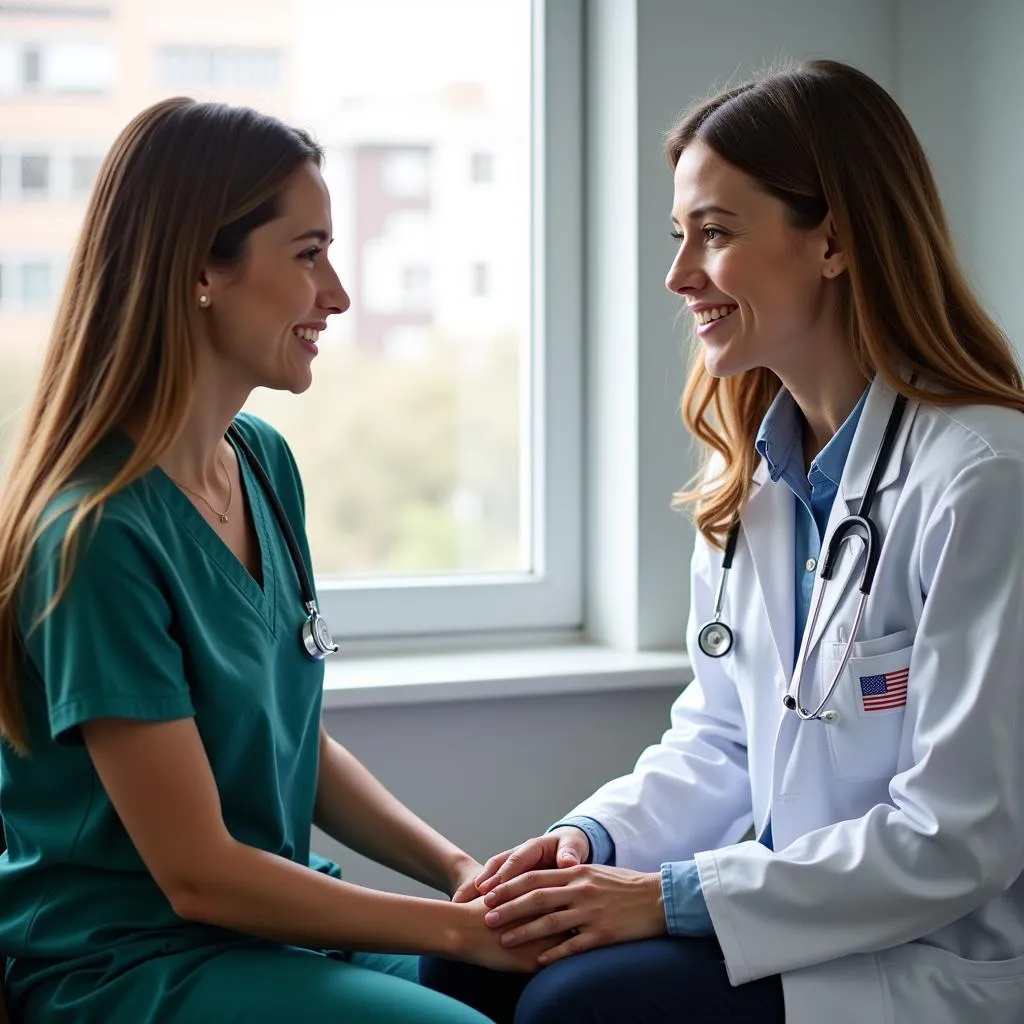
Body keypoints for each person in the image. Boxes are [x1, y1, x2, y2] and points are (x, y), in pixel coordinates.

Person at [420, 58, 1024, 1024]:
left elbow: (959, 837)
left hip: (933, 956)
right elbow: (723, 742)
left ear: (832, 240)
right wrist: (592, 845)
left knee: (581, 1006)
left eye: (715, 232)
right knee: (469, 964)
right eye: (679, 235)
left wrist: (668, 900)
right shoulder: (754, 485)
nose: (678, 274)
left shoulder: (982, 480)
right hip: (800, 917)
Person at [0, 97, 556, 1024]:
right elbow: (200, 876)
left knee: (566, 994)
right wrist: (451, 931)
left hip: (271, 937)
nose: (336, 295)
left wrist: (463, 875)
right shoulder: (96, 536)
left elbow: (300, 745)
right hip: (133, 965)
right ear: (200, 272)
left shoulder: (261, 462)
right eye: (308, 255)